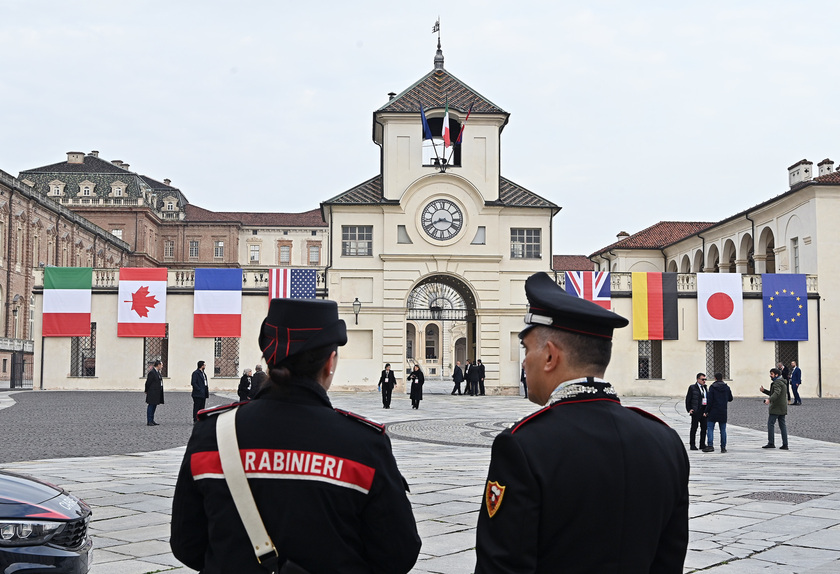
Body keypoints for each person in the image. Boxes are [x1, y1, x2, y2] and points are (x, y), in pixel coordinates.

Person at [170, 298, 421, 573]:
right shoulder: (363, 444)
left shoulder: (213, 434)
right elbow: (399, 552)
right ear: (330, 362)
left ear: (268, 359)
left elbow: (187, 544)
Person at [475, 272, 689, 572]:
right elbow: (669, 560)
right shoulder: (665, 440)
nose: (523, 362)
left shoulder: (524, 446)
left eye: (526, 349)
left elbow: (502, 566)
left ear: (550, 356)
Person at [704, 372, 733, 453]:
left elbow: (710, 401)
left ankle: (710, 445)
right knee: (723, 430)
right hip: (723, 411)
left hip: (713, 411)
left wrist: (706, 411)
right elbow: (730, 398)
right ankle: (723, 447)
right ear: (722, 378)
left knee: (710, 429)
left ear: (715, 378)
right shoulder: (727, 387)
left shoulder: (712, 387)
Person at [760, 368, 789, 450]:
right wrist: (764, 391)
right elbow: (774, 393)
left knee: (770, 424)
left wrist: (769, 400)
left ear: (776, 375)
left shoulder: (777, 383)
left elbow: (776, 393)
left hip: (776, 407)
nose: (770, 375)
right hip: (782, 407)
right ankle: (785, 444)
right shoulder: (782, 382)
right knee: (782, 426)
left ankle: (771, 442)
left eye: (772, 374)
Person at [685, 373, 708, 451]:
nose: (704, 381)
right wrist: (689, 409)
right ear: (698, 379)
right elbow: (688, 399)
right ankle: (692, 444)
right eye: (702, 379)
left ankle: (702, 444)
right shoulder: (692, 388)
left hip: (704, 411)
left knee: (704, 428)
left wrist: (707, 410)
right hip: (696, 410)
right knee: (694, 428)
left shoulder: (705, 388)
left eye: (705, 379)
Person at [144, 360, 164, 426]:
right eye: (161, 365)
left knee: (154, 406)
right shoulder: (152, 372)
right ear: (158, 365)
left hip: (157, 392)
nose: (162, 366)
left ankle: (152, 420)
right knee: (151, 406)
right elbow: (148, 382)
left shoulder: (157, 372)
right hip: (152, 392)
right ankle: (149, 420)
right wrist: (146, 390)